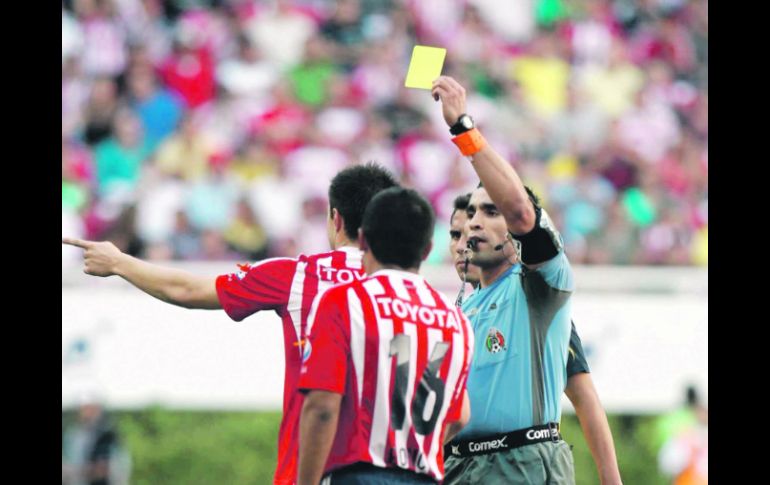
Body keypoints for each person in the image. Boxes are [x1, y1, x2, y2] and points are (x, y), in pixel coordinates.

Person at [62, 163, 399, 485]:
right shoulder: (411, 294)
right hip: (392, 471)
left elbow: (188, 290)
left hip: (310, 467)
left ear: (335, 218)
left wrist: (119, 262)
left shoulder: (298, 275)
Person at [431, 75, 576, 484]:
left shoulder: (541, 284)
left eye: (490, 212)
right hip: (458, 466)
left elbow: (521, 211)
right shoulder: (461, 308)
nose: (476, 222)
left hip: (521, 463)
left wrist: (463, 127)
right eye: (471, 213)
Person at [297, 187, 474, 485]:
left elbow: (322, 406)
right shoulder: (456, 320)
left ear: (363, 239)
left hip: (359, 474)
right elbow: (459, 417)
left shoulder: (344, 301)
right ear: (428, 249)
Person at [448, 194, 622, 484]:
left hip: (519, 466)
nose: (460, 243)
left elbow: (584, 396)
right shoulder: (458, 313)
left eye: (466, 230)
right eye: (455, 234)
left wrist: (611, 479)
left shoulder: (535, 304)